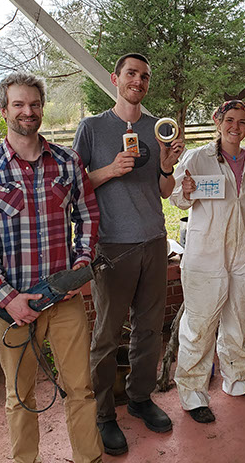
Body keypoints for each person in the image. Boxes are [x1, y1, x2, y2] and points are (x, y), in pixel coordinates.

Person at [0, 72, 103, 463]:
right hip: (15, 307)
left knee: (80, 389)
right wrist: (8, 300)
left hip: (65, 298)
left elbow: (88, 214)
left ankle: (88, 458)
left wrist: (80, 267)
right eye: (19, 105)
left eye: (35, 104)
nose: (28, 112)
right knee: (19, 396)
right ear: (4, 109)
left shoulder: (67, 161)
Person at [73, 53, 184, 455]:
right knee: (106, 334)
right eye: (131, 74)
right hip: (112, 244)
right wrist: (109, 170)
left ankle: (139, 398)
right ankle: (103, 413)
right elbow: (74, 185)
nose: (138, 80)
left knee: (149, 328)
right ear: (115, 78)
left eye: (144, 76)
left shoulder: (157, 129)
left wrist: (168, 166)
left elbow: (165, 192)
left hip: (155, 240)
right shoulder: (92, 127)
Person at [169, 100, 245, 423]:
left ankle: (238, 381)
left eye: (242, 122)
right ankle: (192, 394)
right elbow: (176, 198)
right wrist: (185, 190)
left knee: (240, 318)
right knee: (199, 325)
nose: (235, 127)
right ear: (218, 122)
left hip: (243, 252)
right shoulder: (198, 157)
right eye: (229, 120)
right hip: (206, 253)